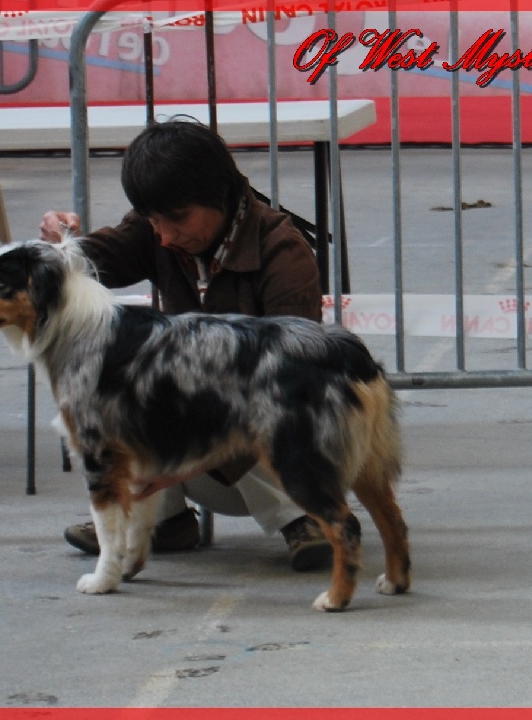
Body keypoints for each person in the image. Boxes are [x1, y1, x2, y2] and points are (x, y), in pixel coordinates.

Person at [40, 117, 331, 571]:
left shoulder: (285, 254)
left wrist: (186, 461)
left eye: (176, 218)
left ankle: (304, 517)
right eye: (152, 220)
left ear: (220, 195)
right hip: (199, 436)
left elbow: (291, 387)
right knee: (119, 403)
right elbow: (97, 262)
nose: (163, 235)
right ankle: (165, 521)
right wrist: (61, 246)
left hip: (275, 437)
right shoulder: (157, 227)